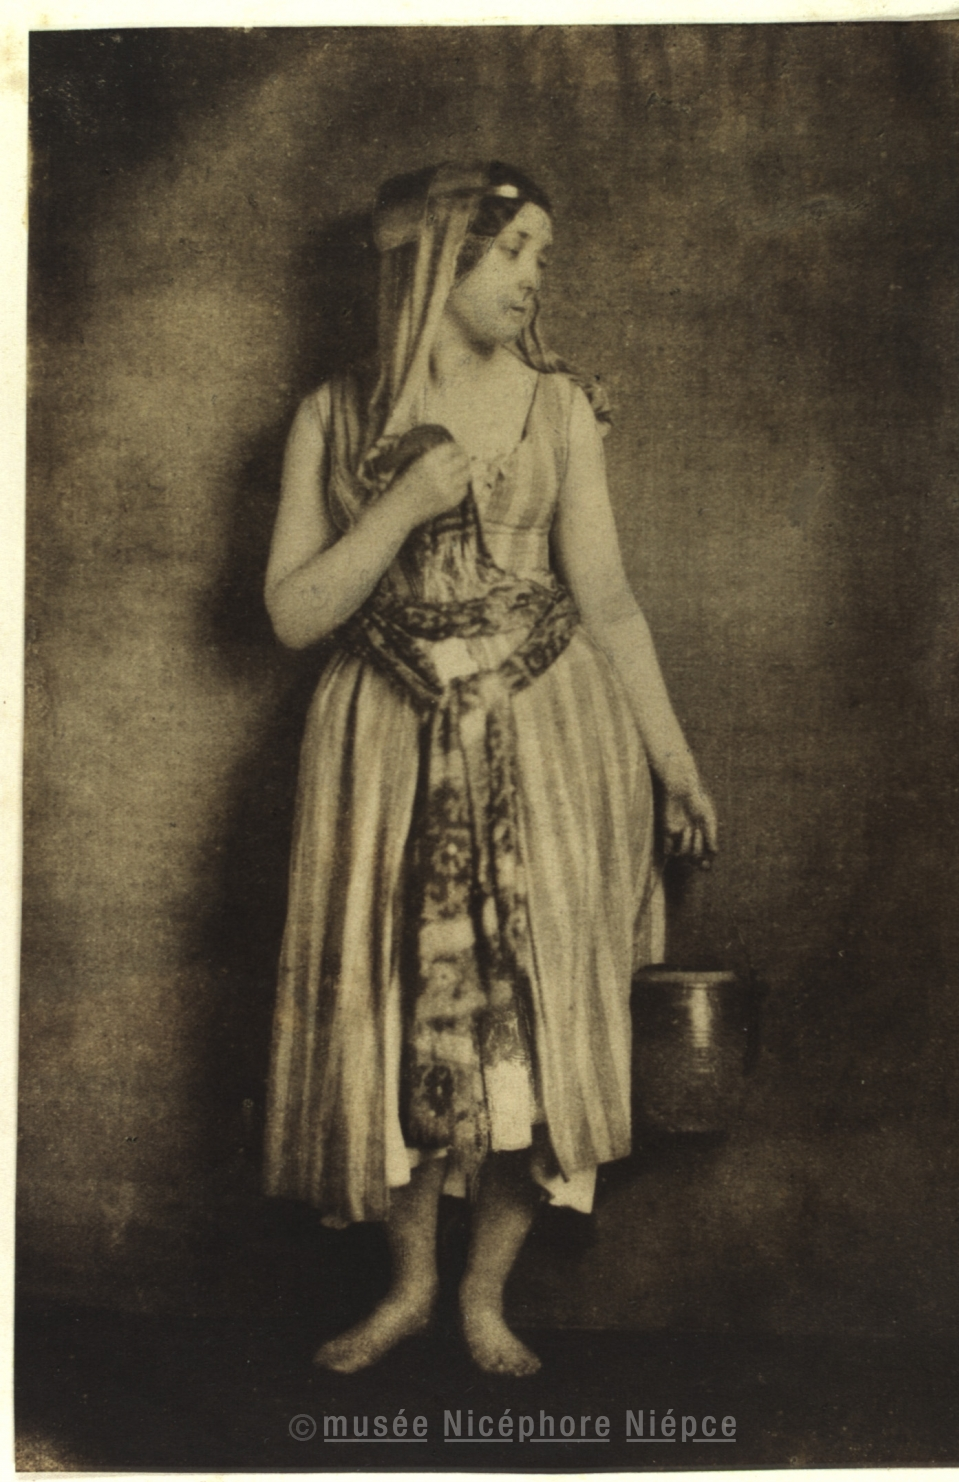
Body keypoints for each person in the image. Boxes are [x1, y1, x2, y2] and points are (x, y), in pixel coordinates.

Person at [262, 160, 717, 1377]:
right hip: (385, 745)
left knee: (533, 1012)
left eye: (540, 259)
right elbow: (293, 616)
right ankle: (410, 1286)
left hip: (548, 738)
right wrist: (400, 505)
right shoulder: (333, 415)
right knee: (395, 1009)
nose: (533, 280)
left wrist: (672, 762)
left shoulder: (559, 408)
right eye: (512, 253)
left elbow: (607, 601)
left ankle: (481, 1296)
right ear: (435, 261)